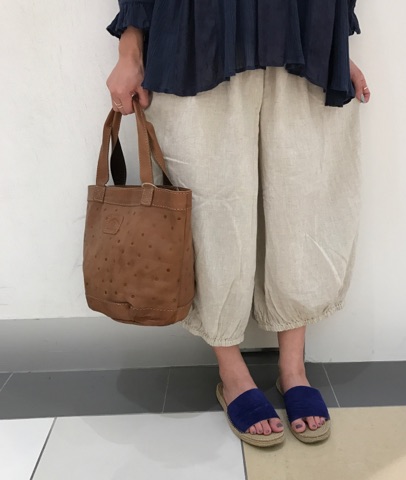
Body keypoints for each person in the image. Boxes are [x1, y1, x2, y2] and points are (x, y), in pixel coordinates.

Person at [106, 0, 370, 447]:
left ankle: (293, 369)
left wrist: (333, 43)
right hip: (197, 29)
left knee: (303, 199)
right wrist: (130, 50)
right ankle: (232, 374)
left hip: (304, 25)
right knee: (211, 207)